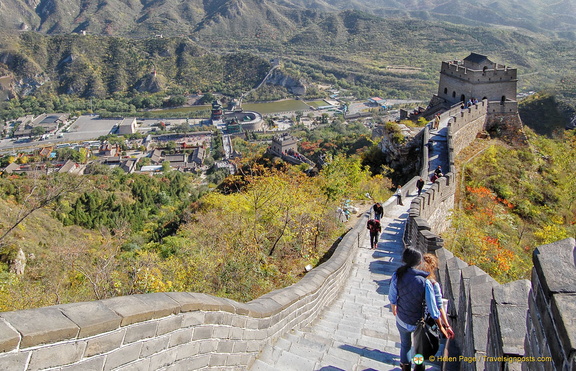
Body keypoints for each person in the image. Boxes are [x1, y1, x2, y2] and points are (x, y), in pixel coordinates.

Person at [389, 249, 451, 371]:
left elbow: (392, 296)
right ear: (419, 262)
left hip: (401, 319)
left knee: (405, 345)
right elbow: (433, 309)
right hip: (418, 323)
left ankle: (405, 368)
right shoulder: (425, 282)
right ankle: (418, 368)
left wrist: (394, 308)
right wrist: (441, 326)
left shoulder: (397, 274)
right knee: (419, 348)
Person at [421, 253, 455, 340]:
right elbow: (439, 306)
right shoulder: (433, 284)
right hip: (427, 320)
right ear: (433, 268)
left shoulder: (415, 278)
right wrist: (445, 326)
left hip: (411, 316)